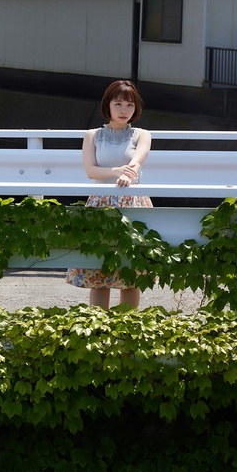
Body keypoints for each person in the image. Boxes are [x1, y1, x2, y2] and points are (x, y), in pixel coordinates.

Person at [66, 80, 152, 309]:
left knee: (132, 274)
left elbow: (138, 159)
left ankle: (128, 326)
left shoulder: (141, 134)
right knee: (99, 270)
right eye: (119, 104)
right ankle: (98, 326)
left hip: (133, 201)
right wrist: (115, 172)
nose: (124, 110)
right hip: (101, 201)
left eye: (130, 105)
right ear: (108, 105)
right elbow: (90, 170)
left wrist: (129, 173)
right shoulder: (92, 135)